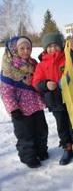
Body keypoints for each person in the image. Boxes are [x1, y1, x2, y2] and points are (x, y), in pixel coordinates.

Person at [32, 32, 73, 165]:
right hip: (55, 102)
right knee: (61, 127)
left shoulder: (66, 57)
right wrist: (45, 84)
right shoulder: (41, 65)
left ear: (61, 46)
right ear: (45, 48)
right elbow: (36, 82)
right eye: (49, 46)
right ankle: (67, 148)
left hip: (71, 100)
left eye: (56, 45)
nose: (53, 48)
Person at [0, 36, 48, 168]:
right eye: (22, 48)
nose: (26, 51)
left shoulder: (33, 63)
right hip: (21, 110)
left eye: (28, 48)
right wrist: (13, 109)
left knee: (41, 131)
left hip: (36, 105)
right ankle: (28, 157)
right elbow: (6, 91)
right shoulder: (9, 67)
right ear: (15, 49)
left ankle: (41, 151)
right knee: (25, 136)